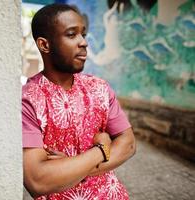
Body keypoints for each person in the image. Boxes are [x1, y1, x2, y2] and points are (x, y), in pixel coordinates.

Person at [22, 3, 136, 200]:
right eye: (72, 34)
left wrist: (72, 167)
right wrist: (102, 149)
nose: (84, 42)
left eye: (83, 34)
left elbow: (128, 144)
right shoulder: (28, 100)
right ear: (44, 45)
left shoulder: (100, 88)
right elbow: (38, 180)